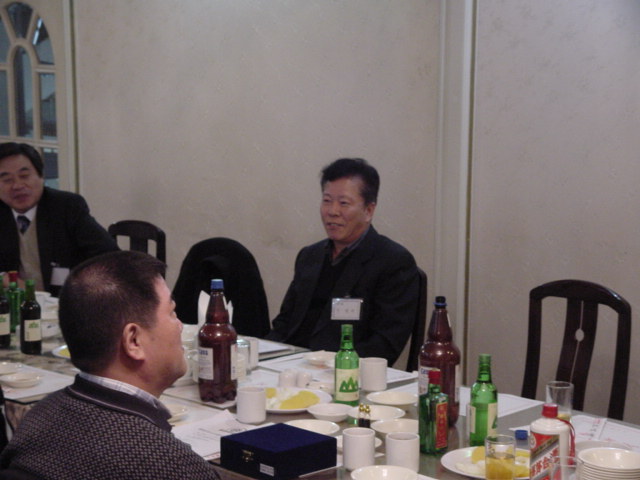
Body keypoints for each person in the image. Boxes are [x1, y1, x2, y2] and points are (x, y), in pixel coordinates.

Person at [0, 251, 224, 480]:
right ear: (133, 341)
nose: (180, 325)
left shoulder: (36, 418)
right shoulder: (170, 465)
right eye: (172, 313)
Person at [266, 158, 420, 365]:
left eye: (344, 203)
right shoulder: (309, 256)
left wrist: (330, 366)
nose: (333, 211)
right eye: (327, 200)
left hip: (343, 372)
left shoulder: (393, 262)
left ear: (368, 210)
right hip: (291, 367)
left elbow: (384, 345)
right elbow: (284, 324)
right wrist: (263, 359)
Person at [0, 142, 118, 293]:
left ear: (41, 176)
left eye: (24, 176)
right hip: (14, 302)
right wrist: (4, 277)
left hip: (65, 300)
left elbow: (109, 257)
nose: (17, 186)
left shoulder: (67, 207)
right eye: (7, 180)